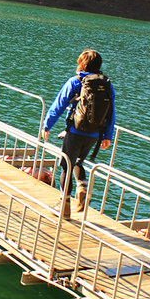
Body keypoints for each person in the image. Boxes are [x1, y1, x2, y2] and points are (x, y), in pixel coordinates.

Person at [42, 49, 115, 217]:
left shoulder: (76, 82)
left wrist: (47, 125)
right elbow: (111, 112)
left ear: (82, 63)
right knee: (78, 162)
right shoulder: (107, 85)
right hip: (94, 134)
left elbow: (58, 105)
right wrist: (107, 136)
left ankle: (64, 207)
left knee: (65, 165)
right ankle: (82, 186)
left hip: (75, 132)